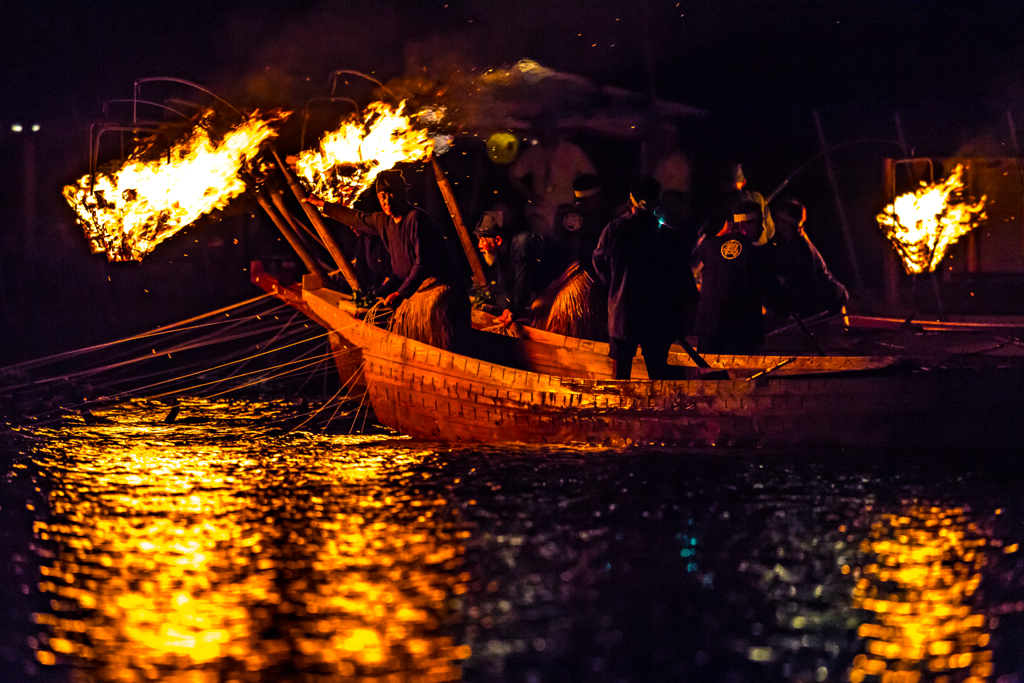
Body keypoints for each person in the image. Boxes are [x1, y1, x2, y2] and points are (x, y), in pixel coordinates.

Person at [306, 169, 468, 349]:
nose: (387, 201)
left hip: (434, 294)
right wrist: (322, 204)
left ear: (403, 193)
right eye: (382, 196)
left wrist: (400, 293)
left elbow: (422, 264)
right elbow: (356, 218)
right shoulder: (383, 222)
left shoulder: (416, 219)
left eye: (392, 194)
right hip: (413, 294)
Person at [592, 176, 699, 380]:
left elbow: (599, 263)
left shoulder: (614, 230)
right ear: (658, 201)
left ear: (631, 200)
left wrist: (616, 287)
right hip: (658, 319)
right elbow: (683, 283)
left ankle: (619, 412)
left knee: (620, 379)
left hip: (623, 315)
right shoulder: (669, 237)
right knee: (659, 378)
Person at [693, 199, 785, 355]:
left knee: (709, 379)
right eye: (758, 223)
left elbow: (700, 256)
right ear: (743, 225)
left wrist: (722, 234)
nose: (762, 228)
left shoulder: (709, 246)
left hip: (708, 333)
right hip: (739, 338)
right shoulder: (756, 255)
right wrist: (785, 308)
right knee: (739, 379)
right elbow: (776, 299)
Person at [509, 114, 596, 238]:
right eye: (539, 131)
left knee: (563, 246)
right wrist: (529, 195)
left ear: (553, 129)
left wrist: (580, 202)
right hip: (540, 212)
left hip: (565, 211)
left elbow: (590, 176)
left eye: (546, 129)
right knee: (541, 246)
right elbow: (514, 175)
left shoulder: (572, 151)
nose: (543, 135)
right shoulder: (533, 153)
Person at [474, 210, 562, 324]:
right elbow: (503, 285)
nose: (479, 245)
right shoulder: (501, 251)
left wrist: (513, 313)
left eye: (482, 240)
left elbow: (522, 283)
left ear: (498, 240)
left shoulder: (522, 245)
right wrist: (506, 309)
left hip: (555, 280)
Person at [769, 198, 849, 317]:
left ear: (786, 222)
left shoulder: (801, 248)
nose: (775, 222)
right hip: (821, 297)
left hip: (828, 299)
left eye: (778, 219)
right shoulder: (789, 242)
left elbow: (802, 284)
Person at [551, 173, 617, 273]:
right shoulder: (597, 217)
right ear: (594, 197)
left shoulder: (562, 212)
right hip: (586, 278)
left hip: (562, 277)